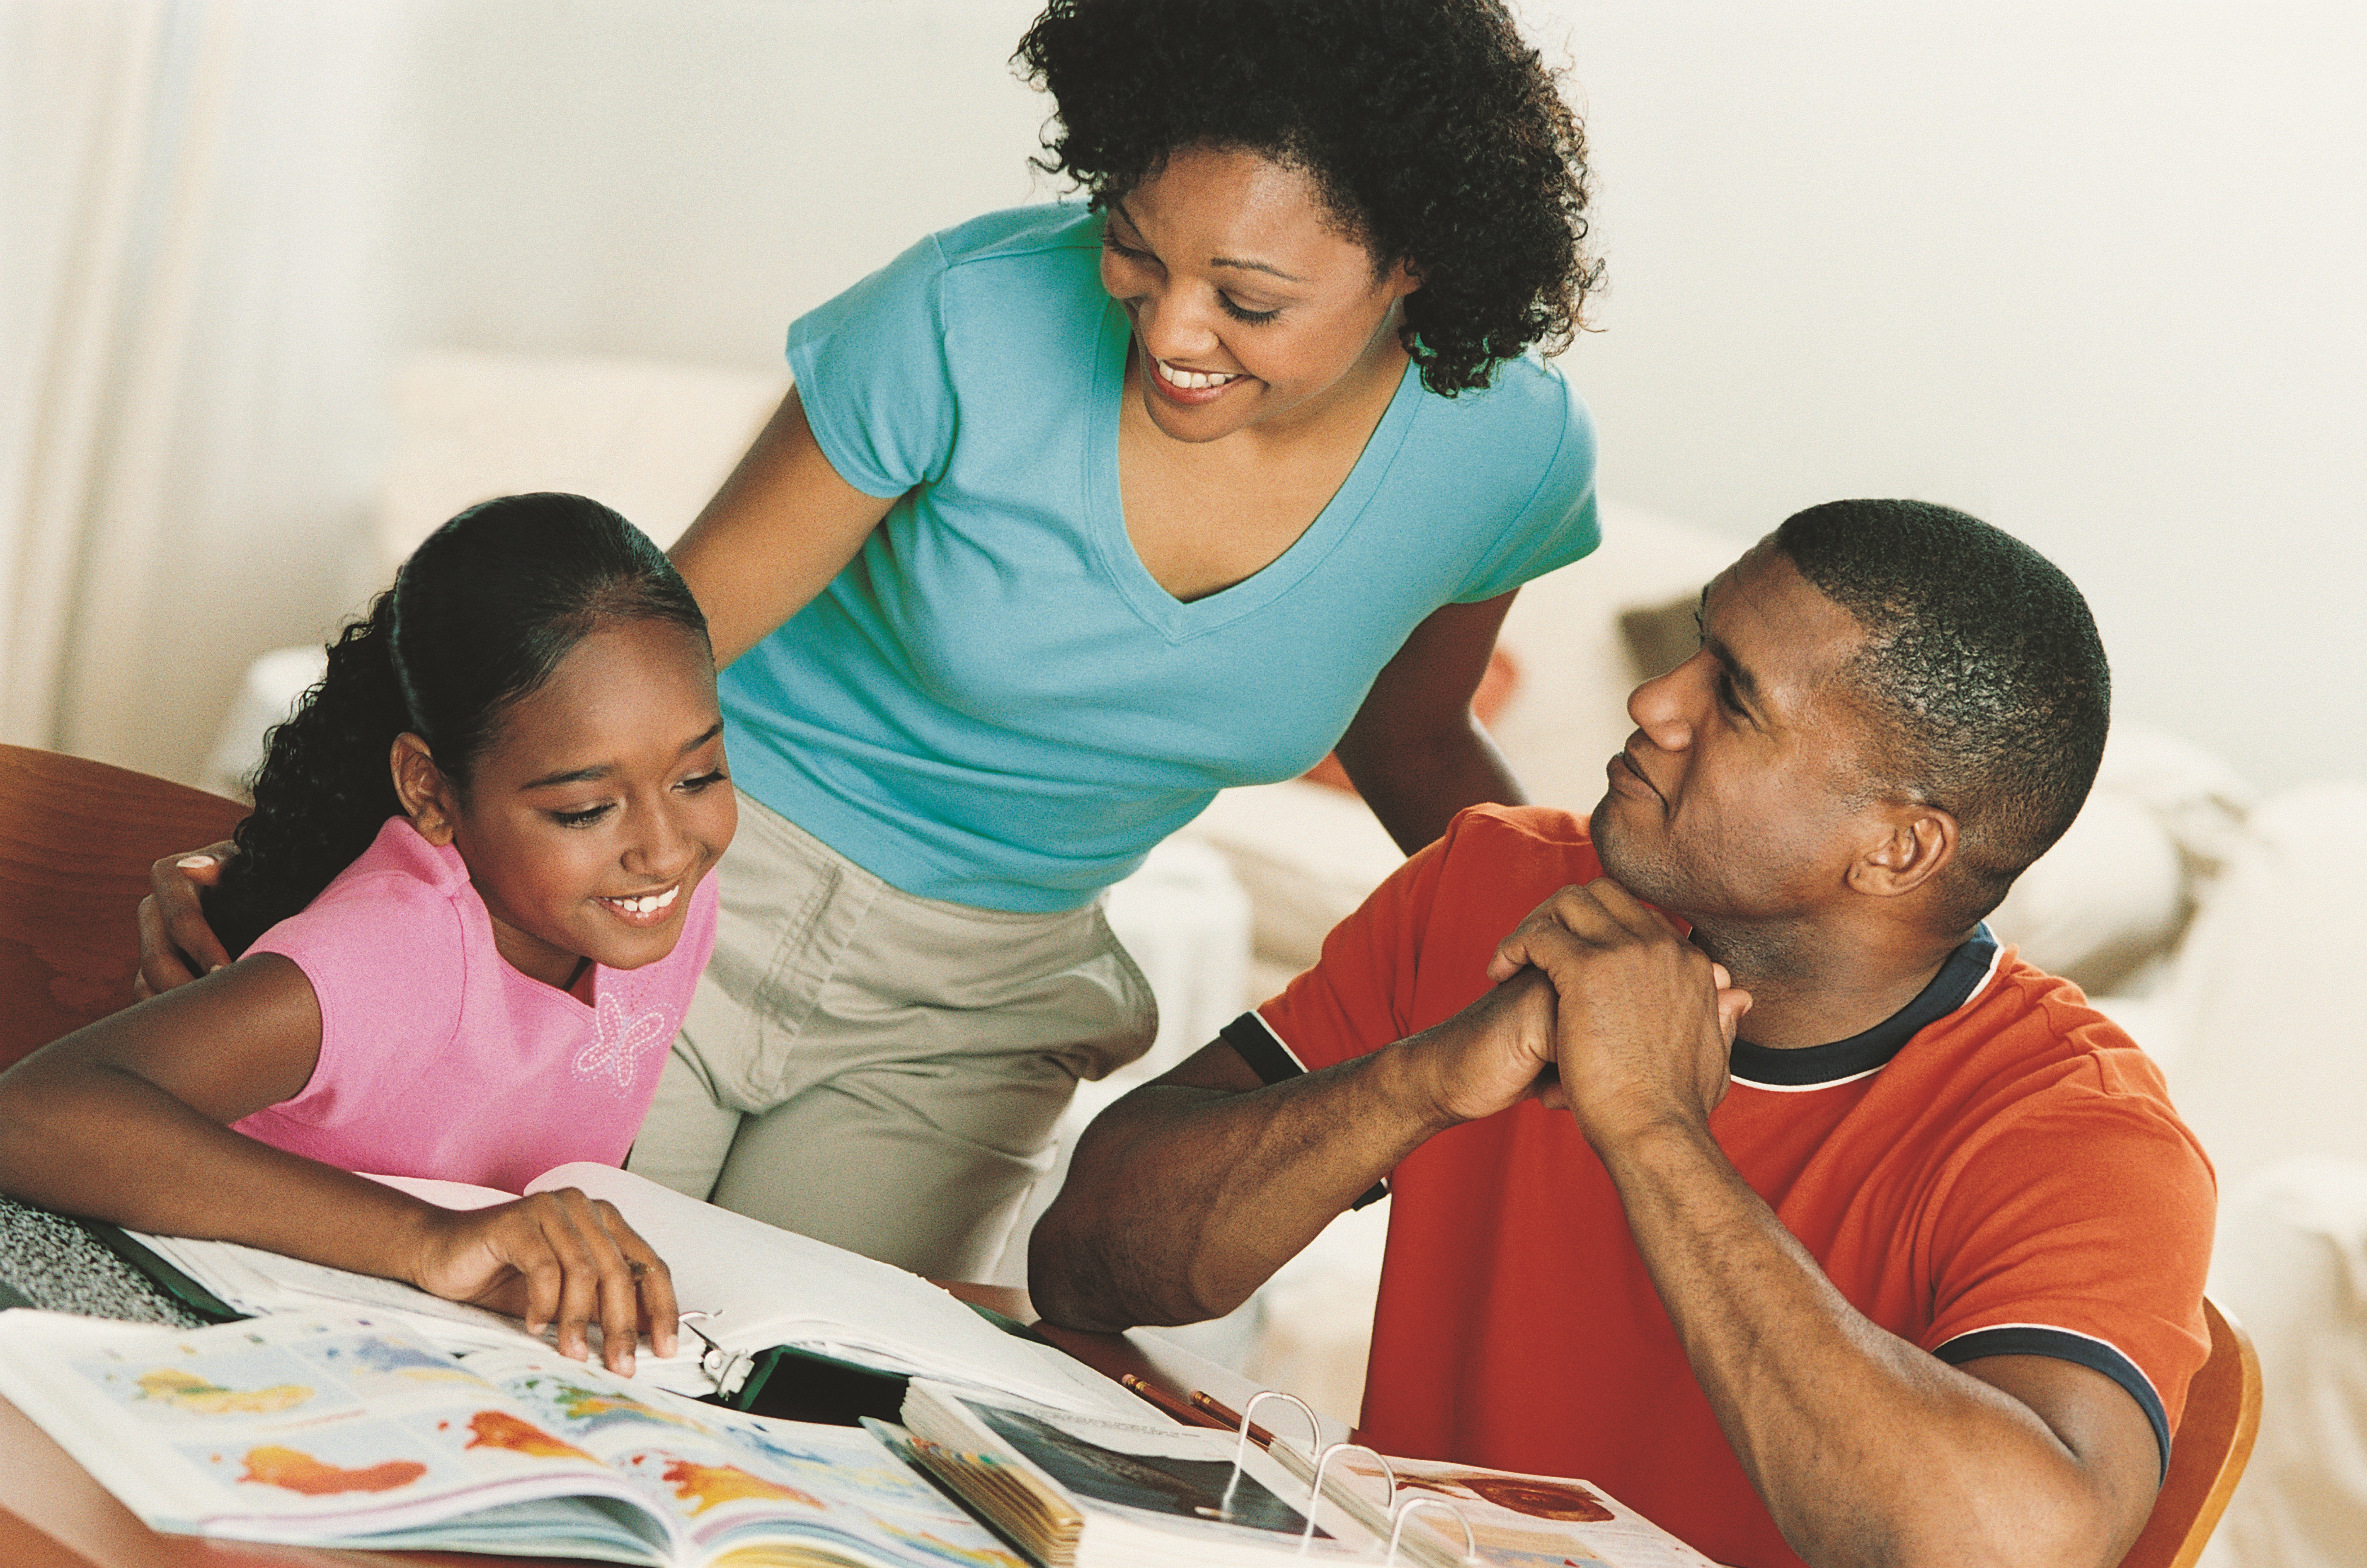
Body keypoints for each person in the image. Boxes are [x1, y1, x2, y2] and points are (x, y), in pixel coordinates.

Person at [135, 0, 1607, 1280]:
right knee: (524, 1309)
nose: (1171, 329)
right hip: (690, 891)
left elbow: (1412, 739)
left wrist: (1605, 951)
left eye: (1249, 299)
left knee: (785, 1415)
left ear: (1416, 259)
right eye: (1135, 253)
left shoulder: (1503, 456)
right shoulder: (965, 317)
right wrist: (306, 849)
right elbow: (643, 639)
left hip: (979, 1005)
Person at [1027, 500, 2216, 1568]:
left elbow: (2002, 1557)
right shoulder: (1495, 887)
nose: (1655, 701)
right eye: (1697, 648)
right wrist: (1421, 1083)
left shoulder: (2082, 1137)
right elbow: (1081, 1261)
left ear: (1899, 848)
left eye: (1733, 698)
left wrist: (1652, 1126)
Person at [0, 494, 734, 1376]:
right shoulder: (393, 949)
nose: (664, 848)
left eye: (697, 776)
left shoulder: (659, 910)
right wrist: (435, 1240)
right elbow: (30, 1116)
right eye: (585, 809)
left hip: (444, 1368)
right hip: (209, 1353)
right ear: (429, 788)